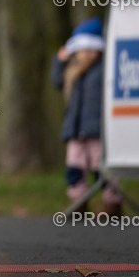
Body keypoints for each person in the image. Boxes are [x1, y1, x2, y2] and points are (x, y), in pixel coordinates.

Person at [52, 17, 122, 217]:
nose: (84, 55)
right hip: (74, 130)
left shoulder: (103, 71)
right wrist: (59, 60)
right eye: (81, 51)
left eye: (89, 50)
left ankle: (113, 204)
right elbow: (56, 81)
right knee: (74, 168)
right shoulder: (73, 73)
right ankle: (79, 203)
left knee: (101, 168)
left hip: (96, 130)